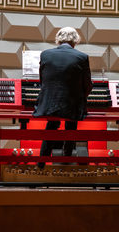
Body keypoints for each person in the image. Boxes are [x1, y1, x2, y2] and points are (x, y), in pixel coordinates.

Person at [33, 27, 93, 168]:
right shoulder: (82, 57)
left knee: (52, 122)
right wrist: (81, 98)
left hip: (49, 104)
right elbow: (88, 85)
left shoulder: (45, 54)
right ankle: (66, 157)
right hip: (71, 106)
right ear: (76, 40)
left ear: (58, 39)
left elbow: (43, 82)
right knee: (71, 119)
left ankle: (41, 163)